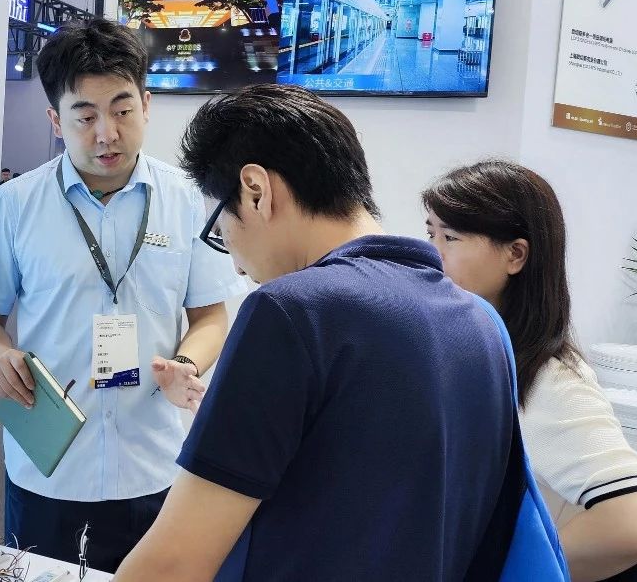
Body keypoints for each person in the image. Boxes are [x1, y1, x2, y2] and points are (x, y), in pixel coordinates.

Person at [115, 84, 519, 581]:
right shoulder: (481, 325)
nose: (236, 266)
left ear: (256, 190)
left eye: (220, 231)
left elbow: (173, 564)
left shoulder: (291, 313)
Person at [0, 18, 245, 573]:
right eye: (85, 117)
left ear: (146, 104)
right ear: (56, 120)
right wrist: (0, 356)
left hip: (154, 462)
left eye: (121, 110)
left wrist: (186, 364)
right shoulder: (18, 204)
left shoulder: (187, 198)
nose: (106, 134)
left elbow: (211, 314)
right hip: (50, 467)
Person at [423, 159, 637, 581]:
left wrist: (513, 569)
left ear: (516, 255)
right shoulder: (482, 352)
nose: (432, 252)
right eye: (430, 233)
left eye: (451, 237)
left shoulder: (548, 378)